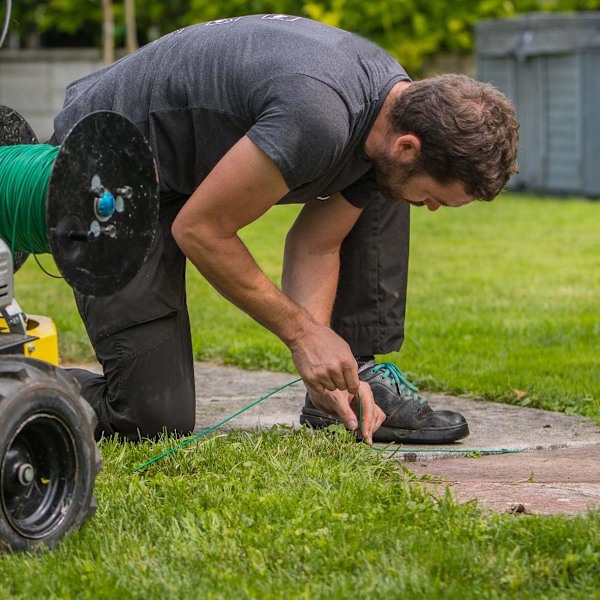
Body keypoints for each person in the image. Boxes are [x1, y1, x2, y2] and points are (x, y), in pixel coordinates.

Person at [54, 14, 519, 445]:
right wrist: (302, 335)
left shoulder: (396, 113)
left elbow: (316, 245)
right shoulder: (318, 116)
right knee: (151, 419)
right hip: (108, 163)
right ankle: (20, 383)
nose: (434, 209)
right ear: (409, 145)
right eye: (440, 195)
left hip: (188, 169)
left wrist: (318, 369)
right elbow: (199, 230)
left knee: (392, 191)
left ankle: (346, 379)